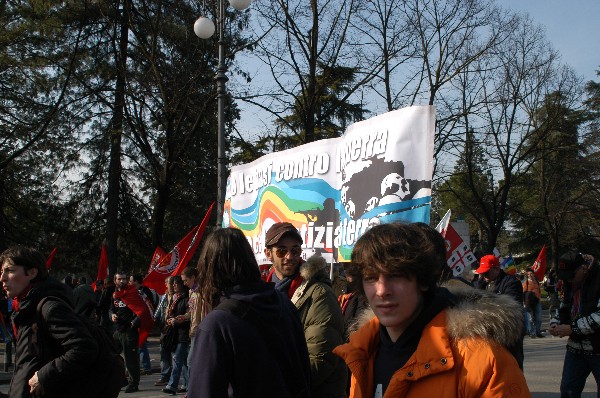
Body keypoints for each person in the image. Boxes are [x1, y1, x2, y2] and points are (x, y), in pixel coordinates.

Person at [333, 223, 530, 397]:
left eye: (396, 276)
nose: (382, 291)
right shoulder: (361, 351)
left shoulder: (484, 361)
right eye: (371, 278)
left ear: (424, 281)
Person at [188, 227, 310, 398]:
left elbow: (204, 391)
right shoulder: (284, 303)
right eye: (282, 250)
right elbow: (304, 373)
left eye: (295, 250)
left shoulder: (216, 325)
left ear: (209, 267)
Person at [0, 245, 123, 398]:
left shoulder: (49, 307)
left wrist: (43, 376)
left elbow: (84, 347)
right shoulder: (25, 308)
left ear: (32, 273)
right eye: (2, 271)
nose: (2, 278)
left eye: (10, 270)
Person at [264, 222, 346, 398]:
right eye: (281, 250)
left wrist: (274, 386)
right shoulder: (263, 293)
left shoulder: (319, 293)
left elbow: (321, 359)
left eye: (295, 250)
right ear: (268, 254)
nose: (289, 256)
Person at [550, 250, 600, 397]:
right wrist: (556, 323)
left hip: (598, 347)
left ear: (583, 269)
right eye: (565, 277)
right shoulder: (568, 282)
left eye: (572, 276)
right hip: (576, 348)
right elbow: (565, 306)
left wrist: (572, 329)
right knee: (568, 390)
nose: (569, 280)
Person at [474, 253, 526, 369]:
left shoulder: (511, 282)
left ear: (497, 269)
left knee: (512, 366)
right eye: (482, 273)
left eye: (486, 272)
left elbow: (511, 306)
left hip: (509, 332)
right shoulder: (482, 284)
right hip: (490, 333)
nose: (484, 275)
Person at [110, 271, 142, 393]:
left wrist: (135, 321)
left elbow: (143, 310)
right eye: (120, 279)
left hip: (129, 331)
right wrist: (112, 315)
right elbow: (111, 309)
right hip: (118, 330)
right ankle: (119, 380)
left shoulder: (133, 293)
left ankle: (133, 383)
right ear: (115, 281)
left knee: (131, 359)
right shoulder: (114, 294)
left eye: (124, 279)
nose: (122, 281)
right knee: (111, 355)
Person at [162, 275, 190, 395]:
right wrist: (169, 319)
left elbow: (189, 315)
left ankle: (172, 385)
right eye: (172, 283)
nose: (173, 285)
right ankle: (189, 385)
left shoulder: (187, 297)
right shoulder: (173, 298)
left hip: (183, 333)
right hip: (174, 333)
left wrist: (178, 320)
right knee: (183, 362)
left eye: (176, 283)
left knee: (177, 359)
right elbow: (169, 312)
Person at [179, 266, 207, 385]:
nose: (184, 284)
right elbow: (192, 311)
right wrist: (184, 317)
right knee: (194, 361)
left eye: (186, 280)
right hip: (193, 330)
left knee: (191, 361)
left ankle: (193, 388)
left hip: (201, 330)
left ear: (193, 278)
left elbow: (206, 312)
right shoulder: (192, 292)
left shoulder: (203, 291)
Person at [129, 274, 155, 375]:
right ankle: (144, 366)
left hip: (141, 322)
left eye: (131, 281)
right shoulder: (140, 291)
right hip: (138, 321)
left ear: (136, 282)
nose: (129, 283)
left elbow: (144, 309)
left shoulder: (143, 293)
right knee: (139, 345)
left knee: (141, 344)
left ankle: (145, 367)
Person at [154, 276, 174, 386]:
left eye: (172, 283)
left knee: (177, 355)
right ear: (166, 284)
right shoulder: (163, 297)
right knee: (164, 353)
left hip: (174, 328)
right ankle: (165, 376)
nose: (171, 286)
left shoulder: (177, 296)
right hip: (164, 329)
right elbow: (158, 312)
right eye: (169, 283)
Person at [522, 267, 543, 338]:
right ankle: (532, 333)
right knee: (530, 318)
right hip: (529, 302)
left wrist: (539, 298)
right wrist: (524, 303)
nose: (531, 275)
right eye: (529, 274)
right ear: (527, 275)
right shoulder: (526, 282)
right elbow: (523, 293)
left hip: (537, 301)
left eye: (531, 274)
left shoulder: (536, 281)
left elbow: (539, 290)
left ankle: (538, 332)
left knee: (539, 318)